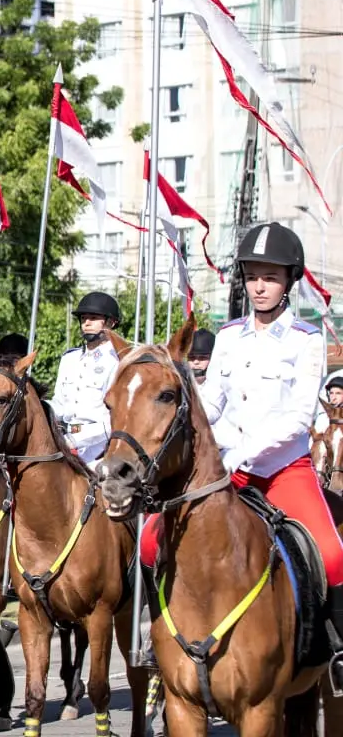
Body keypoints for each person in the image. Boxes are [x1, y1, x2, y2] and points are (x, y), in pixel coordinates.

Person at [137, 222, 343, 686]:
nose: (260, 286)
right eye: (253, 276)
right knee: (151, 541)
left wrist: (242, 453)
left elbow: (295, 418)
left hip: (283, 470)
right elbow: (213, 405)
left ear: (289, 280)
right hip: (229, 472)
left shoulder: (306, 340)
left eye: (270, 276)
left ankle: (335, 655)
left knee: (331, 555)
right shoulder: (228, 336)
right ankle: (161, 638)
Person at [51, 291, 121, 462]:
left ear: (111, 322)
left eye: (93, 318)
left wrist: (75, 440)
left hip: (100, 447)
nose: (86, 323)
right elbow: (58, 406)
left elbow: (115, 419)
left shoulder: (117, 362)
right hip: (64, 438)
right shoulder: (69, 359)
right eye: (83, 318)